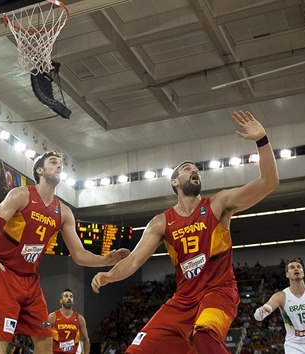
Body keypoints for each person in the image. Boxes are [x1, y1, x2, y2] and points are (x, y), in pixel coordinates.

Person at [91, 110, 279, 354]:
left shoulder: (218, 204)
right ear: (175, 182)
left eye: (197, 170)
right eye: (188, 169)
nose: (195, 171)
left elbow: (269, 182)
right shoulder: (161, 222)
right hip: (183, 301)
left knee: (204, 336)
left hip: (218, 293)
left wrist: (261, 140)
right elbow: (135, 260)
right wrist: (109, 276)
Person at [0, 151, 130, 354]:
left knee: (45, 339)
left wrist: (104, 260)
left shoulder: (64, 212)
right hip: (4, 274)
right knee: (0, 337)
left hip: (30, 281)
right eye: (53, 162)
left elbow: (79, 254)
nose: (59, 166)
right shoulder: (21, 195)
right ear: (39, 170)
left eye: (61, 164)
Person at [49, 289, 90, 354]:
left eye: (71, 296)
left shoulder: (80, 318)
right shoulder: (52, 317)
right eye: (66, 296)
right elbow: (46, 339)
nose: (69, 298)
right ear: (61, 300)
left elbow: (86, 339)